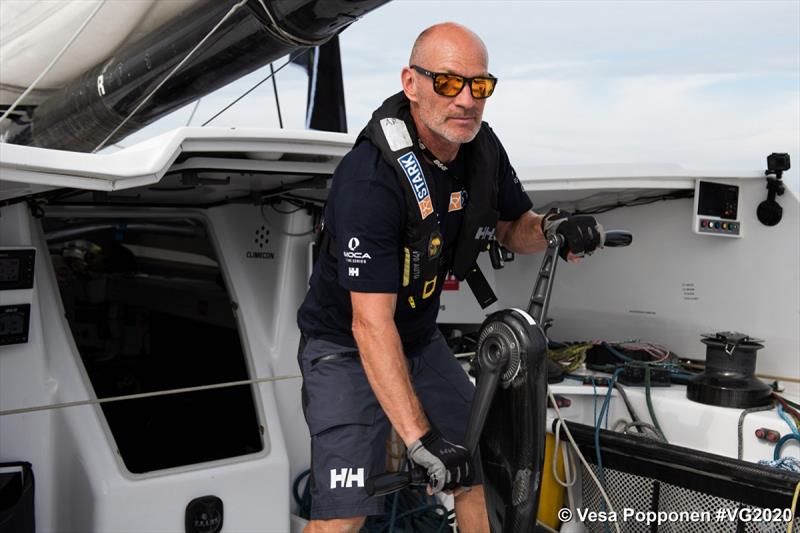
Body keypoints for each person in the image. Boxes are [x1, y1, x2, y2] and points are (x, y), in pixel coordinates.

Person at [296, 22, 602, 533]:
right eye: (448, 82)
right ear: (411, 83)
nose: (466, 100)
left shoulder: (482, 150)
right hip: (346, 350)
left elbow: (510, 228)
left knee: (474, 469)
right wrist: (419, 439)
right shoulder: (370, 182)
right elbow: (370, 326)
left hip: (418, 341)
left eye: (479, 86)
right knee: (344, 511)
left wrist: (552, 229)